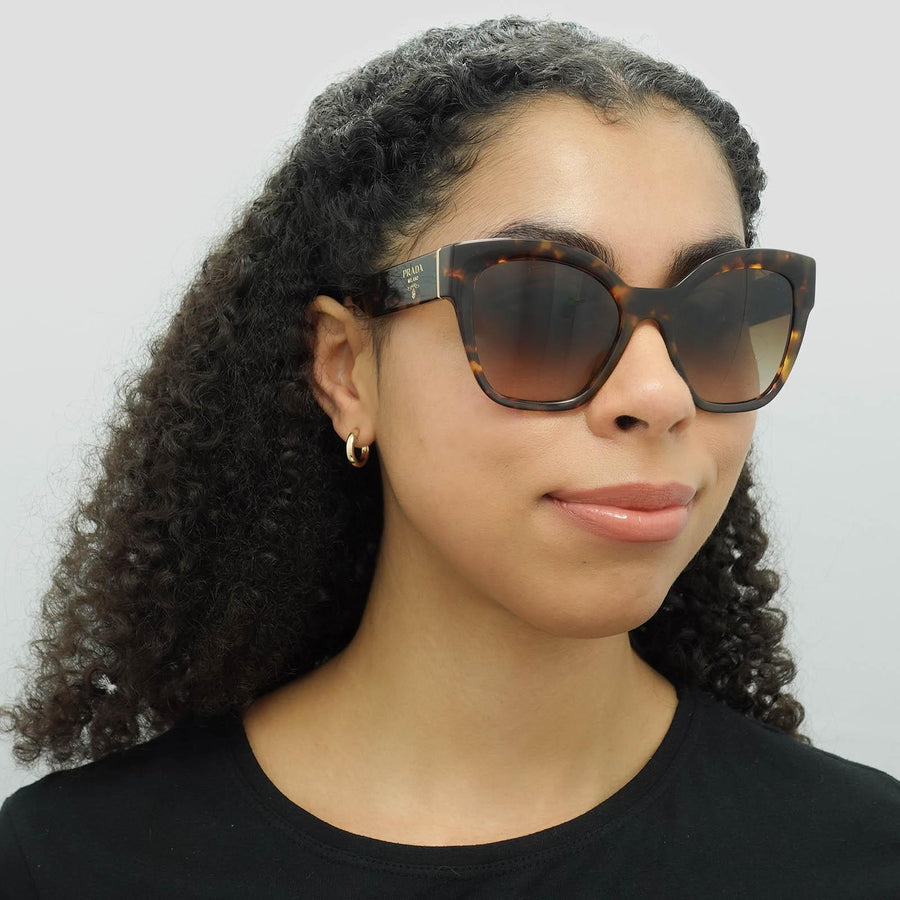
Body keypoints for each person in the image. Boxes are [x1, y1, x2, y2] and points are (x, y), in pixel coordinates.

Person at [1, 15, 897, 899]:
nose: (661, 395)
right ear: (347, 369)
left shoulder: (863, 859)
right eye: (542, 310)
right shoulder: (68, 866)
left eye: (716, 313)